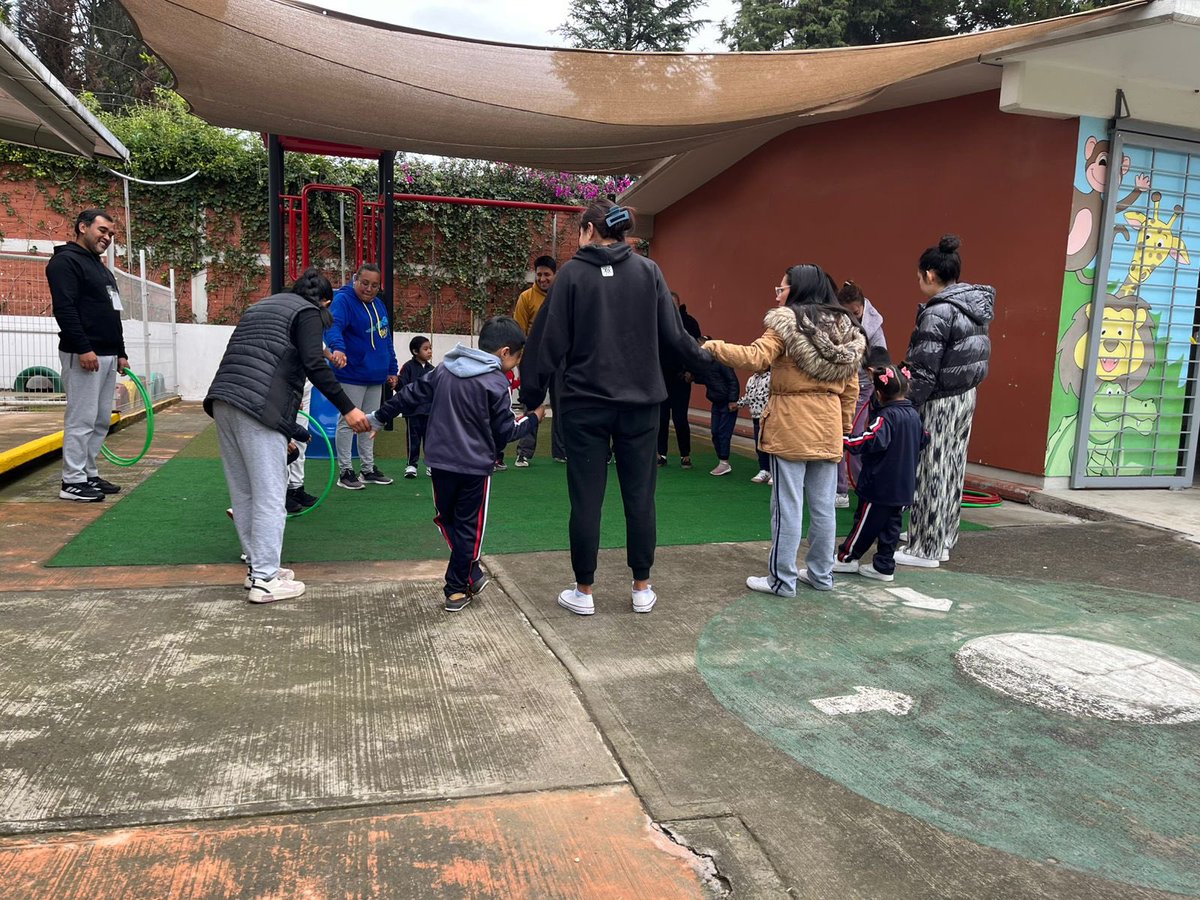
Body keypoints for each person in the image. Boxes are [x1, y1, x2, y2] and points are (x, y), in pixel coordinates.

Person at [519, 199, 712, 616]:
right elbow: (676, 337)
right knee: (640, 496)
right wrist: (711, 368)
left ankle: (584, 591)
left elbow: (545, 342)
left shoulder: (570, 276)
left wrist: (531, 397)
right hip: (642, 405)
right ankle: (642, 586)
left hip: (585, 405)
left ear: (589, 230)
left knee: (586, 499)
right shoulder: (649, 271)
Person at [205, 268, 371, 604]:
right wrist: (348, 408)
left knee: (244, 492)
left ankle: (258, 568)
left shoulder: (261, 306)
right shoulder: (308, 311)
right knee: (270, 492)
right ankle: (265, 580)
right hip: (257, 405)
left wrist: (292, 430)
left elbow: (261, 365)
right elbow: (313, 362)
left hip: (224, 400)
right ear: (326, 301)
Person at [704, 263, 864, 595]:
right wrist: (844, 426)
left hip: (790, 422)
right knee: (823, 506)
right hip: (829, 425)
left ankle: (782, 579)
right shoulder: (846, 327)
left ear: (797, 290)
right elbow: (851, 388)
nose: (777, 295)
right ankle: (821, 575)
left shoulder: (786, 324)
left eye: (781, 289)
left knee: (787, 505)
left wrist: (712, 347)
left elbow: (755, 358)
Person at [369, 316, 543, 612]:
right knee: (467, 529)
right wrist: (533, 418)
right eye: (516, 358)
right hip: (474, 468)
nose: (515, 364)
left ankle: (467, 573)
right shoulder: (496, 382)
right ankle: (457, 586)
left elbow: (410, 395)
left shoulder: (444, 371)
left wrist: (378, 416)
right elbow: (505, 433)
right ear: (503, 352)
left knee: (447, 519)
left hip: (441, 464)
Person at [895, 235, 994, 569]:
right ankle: (943, 536)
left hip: (939, 399)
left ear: (931, 275)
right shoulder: (974, 306)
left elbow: (924, 367)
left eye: (919, 274)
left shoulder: (939, 312)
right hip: (965, 396)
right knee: (952, 467)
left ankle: (926, 547)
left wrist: (905, 403)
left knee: (931, 469)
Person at [46, 209, 129, 502]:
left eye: (110, 234)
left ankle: (88, 474)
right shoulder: (65, 262)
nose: (107, 237)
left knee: (100, 419)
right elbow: (64, 309)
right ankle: (72, 482)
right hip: (84, 354)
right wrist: (83, 348)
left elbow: (113, 312)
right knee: (81, 419)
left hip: (106, 355)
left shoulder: (100, 267)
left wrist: (121, 352)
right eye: (102, 230)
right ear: (83, 227)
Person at [833, 363, 926, 582]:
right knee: (891, 528)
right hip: (903, 487)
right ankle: (884, 565)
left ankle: (847, 558)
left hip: (879, 485)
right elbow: (924, 439)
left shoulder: (886, 417)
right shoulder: (913, 415)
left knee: (864, 524)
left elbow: (870, 439)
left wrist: (842, 439)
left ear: (878, 393)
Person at [324, 263, 398, 489]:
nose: (369, 288)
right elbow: (332, 326)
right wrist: (337, 348)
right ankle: (345, 471)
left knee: (370, 421)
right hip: (351, 374)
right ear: (355, 279)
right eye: (365, 283)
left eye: (374, 285)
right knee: (348, 422)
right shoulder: (344, 301)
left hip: (375, 375)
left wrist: (392, 368)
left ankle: (368, 469)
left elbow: (386, 338)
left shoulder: (379, 305)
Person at [835, 280, 887, 508]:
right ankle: (841, 487)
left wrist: (877, 383)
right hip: (842, 384)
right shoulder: (838, 320)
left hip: (864, 386)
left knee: (851, 436)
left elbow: (880, 357)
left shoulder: (874, 326)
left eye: (855, 312)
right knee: (838, 434)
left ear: (862, 305)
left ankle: (855, 485)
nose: (853, 317)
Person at [513, 255, 564, 466]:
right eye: (539, 274)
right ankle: (524, 452)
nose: (543, 279)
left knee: (562, 403)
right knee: (532, 403)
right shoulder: (526, 297)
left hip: (560, 359)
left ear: (555, 275)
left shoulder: (563, 297)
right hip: (533, 360)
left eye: (547, 275)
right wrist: (519, 362)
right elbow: (519, 331)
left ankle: (561, 452)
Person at [699, 340, 740, 476]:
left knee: (723, 433)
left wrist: (733, 400)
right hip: (716, 402)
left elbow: (733, 381)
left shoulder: (722, 362)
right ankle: (721, 461)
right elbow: (705, 378)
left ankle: (724, 462)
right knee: (715, 432)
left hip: (727, 403)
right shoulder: (705, 365)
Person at [399, 335, 435, 478]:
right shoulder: (407, 367)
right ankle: (411, 465)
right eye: (426, 349)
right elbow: (403, 386)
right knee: (413, 438)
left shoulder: (433, 369)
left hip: (429, 411)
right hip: (412, 410)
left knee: (430, 439)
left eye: (430, 348)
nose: (429, 351)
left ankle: (431, 464)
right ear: (415, 351)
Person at [738, 368, 772, 484]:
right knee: (759, 445)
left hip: (769, 417)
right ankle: (764, 470)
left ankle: (774, 471)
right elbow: (748, 396)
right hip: (755, 416)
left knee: (770, 445)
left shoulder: (772, 378)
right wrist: (738, 404)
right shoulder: (751, 379)